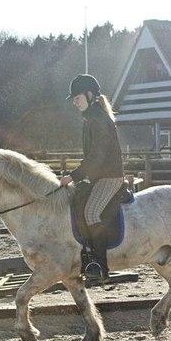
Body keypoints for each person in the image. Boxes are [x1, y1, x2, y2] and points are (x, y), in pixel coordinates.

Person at [60, 74, 125, 280]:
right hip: (98, 176)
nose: (74, 101)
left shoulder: (98, 119)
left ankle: (100, 266)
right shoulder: (90, 119)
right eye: (73, 98)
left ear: (90, 95)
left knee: (92, 213)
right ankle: (86, 257)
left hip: (110, 177)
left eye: (77, 97)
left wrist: (73, 176)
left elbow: (98, 155)